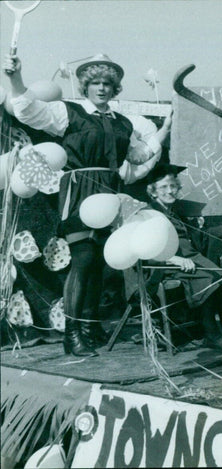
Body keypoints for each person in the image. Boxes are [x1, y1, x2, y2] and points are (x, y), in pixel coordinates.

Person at [3, 53, 171, 357]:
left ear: (115, 87)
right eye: (95, 83)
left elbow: (138, 155)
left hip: (110, 190)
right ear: (85, 86)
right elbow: (27, 110)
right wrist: (15, 78)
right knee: (82, 258)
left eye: (108, 83)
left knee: (99, 262)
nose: (102, 88)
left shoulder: (122, 123)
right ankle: (72, 334)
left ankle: (90, 326)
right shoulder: (69, 112)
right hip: (79, 191)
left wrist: (165, 128)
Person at [144, 164, 222, 351]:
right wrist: (174, 259)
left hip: (191, 260)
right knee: (209, 280)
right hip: (166, 266)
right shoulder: (150, 214)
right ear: (153, 192)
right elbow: (145, 248)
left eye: (173, 186)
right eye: (164, 187)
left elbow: (199, 237)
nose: (170, 191)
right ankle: (212, 335)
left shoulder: (176, 212)